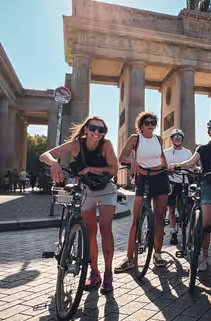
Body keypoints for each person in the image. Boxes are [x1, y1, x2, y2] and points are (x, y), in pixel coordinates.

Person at [40, 115, 118, 294]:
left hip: (106, 189)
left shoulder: (106, 145)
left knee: (106, 228)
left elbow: (114, 169)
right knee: (90, 234)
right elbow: (46, 155)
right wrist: (54, 164)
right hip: (86, 190)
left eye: (101, 129)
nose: (97, 133)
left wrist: (92, 169)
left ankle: (108, 274)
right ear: (86, 129)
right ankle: (95, 273)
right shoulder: (76, 144)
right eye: (93, 128)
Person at [170, 117, 211, 271]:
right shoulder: (202, 149)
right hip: (206, 185)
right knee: (206, 225)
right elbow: (191, 162)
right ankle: (204, 257)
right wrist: (177, 165)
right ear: (209, 132)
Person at [115, 112, 169, 272]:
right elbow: (121, 157)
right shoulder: (135, 138)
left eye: (153, 122)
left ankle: (157, 255)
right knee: (136, 220)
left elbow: (161, 157)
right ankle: (129, 258)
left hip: (160, 177)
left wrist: (168, 169)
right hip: (143, 178)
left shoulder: (158, 139)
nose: (150, 125)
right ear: (141, 124)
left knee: (159, 218)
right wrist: (132, 160)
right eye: (147, 122)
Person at [163, 129, 193, 246]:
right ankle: (173, 232)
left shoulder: (187, 152)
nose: (177, 138)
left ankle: (187, 229)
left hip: (184, 182)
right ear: (171, 139)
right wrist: (167, 170)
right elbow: (163, 166)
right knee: (171, 208)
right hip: (171, 182)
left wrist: (195, 169)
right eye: (175, 136)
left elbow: (191, 165)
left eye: (180, 137)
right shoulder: (166, 152)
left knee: (187, 208)